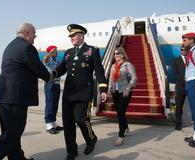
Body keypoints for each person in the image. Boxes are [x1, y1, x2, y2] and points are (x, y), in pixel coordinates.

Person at [0, 23, 53, 160]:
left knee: (10, 132)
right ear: (27, 33)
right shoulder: (27, 47)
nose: (35, 38)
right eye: (34, 34)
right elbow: (39, 69)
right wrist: (51, 75)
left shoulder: (11, 45)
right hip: (15, 97)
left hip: (4, 96)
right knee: (12, 135)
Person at [55, 24, 108, 160]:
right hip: (68, 94)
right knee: (68, 123)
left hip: (84, 92)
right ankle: (71, 151)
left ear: (81, 35)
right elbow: (61, 69)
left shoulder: (92, 50)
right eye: (70, 36)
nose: (71, 38)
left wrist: (103, 88)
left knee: (80, 119)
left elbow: (99, 71)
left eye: (73, 35)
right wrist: (51, 74)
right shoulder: (68, 52)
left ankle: (91, 139)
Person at [107, 46, 137, 146]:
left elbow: (134, 78)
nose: (115, 55)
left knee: (120, 111)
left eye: (117, 54)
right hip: (115, 92)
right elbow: (111, 79)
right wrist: (109, 90)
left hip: (125, 91)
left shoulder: (128, 65)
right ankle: (126, 127)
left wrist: (128, 88)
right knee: (120, 111)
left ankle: (120, 135)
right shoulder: (113, 66)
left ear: (122, 55)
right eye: (114, 54)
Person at [43, 45, 63, 134]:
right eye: (55, 50)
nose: (56, 51)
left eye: (56, 50)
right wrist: (49, 53)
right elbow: (45, 60)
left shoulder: (57, 61)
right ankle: (49, 125)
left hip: (57, 84)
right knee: (50, 104)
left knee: (55, 104)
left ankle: (54, 124)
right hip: (50, 84)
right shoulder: (48, 60)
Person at [172, 46, 187, 130]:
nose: (183, 51)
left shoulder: (190, 59)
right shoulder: (176, 60)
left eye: (185, 49)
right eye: (182, 50)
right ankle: (178, 123)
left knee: (193, 105)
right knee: (179, 106)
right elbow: (176, 73)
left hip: (191, 86)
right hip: (180, 86)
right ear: (180, 51)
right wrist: (184, 80)